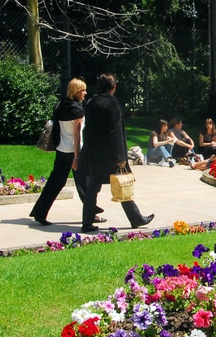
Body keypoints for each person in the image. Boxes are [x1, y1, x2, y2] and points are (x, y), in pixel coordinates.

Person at [79, 73, 153, 233]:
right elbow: (116, 133)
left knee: (92, 187)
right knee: (122, 184)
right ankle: (136, 218)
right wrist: (121, 158)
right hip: (110, 154)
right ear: (114, 87)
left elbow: (88, 130)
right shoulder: (113, 105)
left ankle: (87, 222)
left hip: (94, 153)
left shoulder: (92, 103)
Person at [29, 78, 89, 226]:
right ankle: (91, 213)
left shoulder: (61, 106)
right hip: (74, 151)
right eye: (82, 90)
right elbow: (77, 135)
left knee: (55, 182)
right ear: (76, 91)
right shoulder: (78, 111)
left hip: (61, 149)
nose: (85, 93)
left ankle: (40, 212)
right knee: (85, 183)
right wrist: (76, 157)